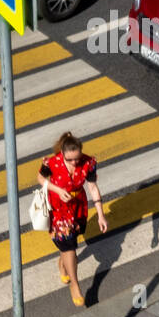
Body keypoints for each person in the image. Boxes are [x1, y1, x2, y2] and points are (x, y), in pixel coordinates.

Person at [38, 132, 108, 307]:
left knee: (70, 243)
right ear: (62, 153)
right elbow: (40, 178)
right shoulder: (51, 163)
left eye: (77, 159)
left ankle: (63, 265)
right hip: (58, 208)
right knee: (69, 246)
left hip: (78, 207)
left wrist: (101, 215)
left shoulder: (88, 163)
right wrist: (56, 189)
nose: (74, 163)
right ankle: (75, 285)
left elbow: (92, 187)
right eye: (70, 160)